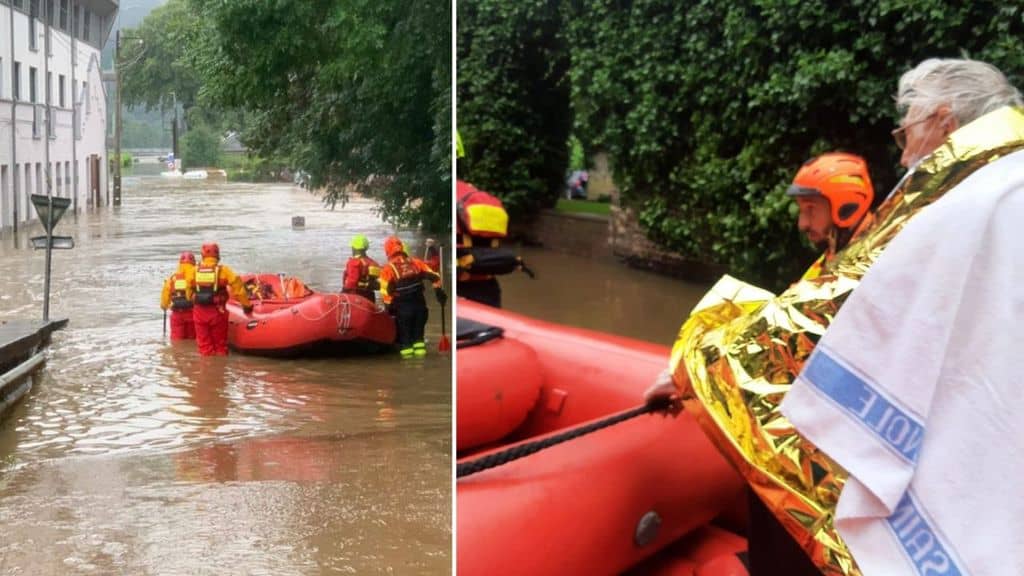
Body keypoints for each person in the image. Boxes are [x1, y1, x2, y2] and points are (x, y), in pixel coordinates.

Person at [648, 58, 1024, 576]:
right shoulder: (1005, 188)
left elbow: (831, 314)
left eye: (905, 132)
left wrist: (694, 364)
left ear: (944, 122)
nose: (905, 152)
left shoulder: (958, 203)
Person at [786, 152, 874, 280]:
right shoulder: (826, 263)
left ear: (847, 206)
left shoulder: (883, 259)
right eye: (801, 210)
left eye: (811, 209)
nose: (802, 224)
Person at [378, 236, 445, 358]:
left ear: (387, 251)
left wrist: (389, 310)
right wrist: (439, 293)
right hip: (420, 307)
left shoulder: (387, 269)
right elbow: (434, 276)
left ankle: (409, 369)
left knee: (406, 342)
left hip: (403, 310)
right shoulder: (416, 263)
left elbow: (386, 293)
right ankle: (420, 365)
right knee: (419, 339)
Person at [192, 242, 253, 356]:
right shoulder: (224, 271)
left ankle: (207, 369)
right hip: (217, 311)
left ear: (203, 256)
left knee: (204, 346)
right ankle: (220, 370)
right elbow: (238, 288)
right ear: (218, 256)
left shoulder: (194, 270)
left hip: (199, 312)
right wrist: (247, 305)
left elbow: (188, 291)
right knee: (220, 345)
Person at [160, 251, 197, 341]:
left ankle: (177, 354)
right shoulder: (196, 276)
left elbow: (165, 297)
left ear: (180, 263)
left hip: (177, 314)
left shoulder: (173, 278)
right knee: (192, 339)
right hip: (192, 313)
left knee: (176, 340)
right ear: (194, 263)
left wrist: (164, 306)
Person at [342, 234, 382, 303]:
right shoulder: (373, 263)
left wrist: (342, 293)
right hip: (370, 298)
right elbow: (380, 283)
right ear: (366, 248)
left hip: (355, 298)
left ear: (353, 248)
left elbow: (351, 282)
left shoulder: (353, 262)